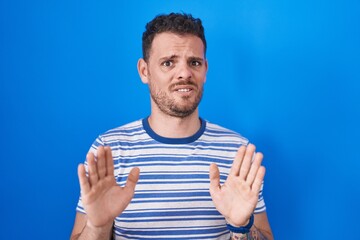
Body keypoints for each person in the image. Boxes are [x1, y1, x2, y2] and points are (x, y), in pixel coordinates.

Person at [70, 12, 273, 240]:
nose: (184, 73)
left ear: (205, 69)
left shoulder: (238, 152)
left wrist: (242, 226)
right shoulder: (109, 149)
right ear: (144, 71)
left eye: (194, 63)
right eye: (168, 63)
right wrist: (98, 228)